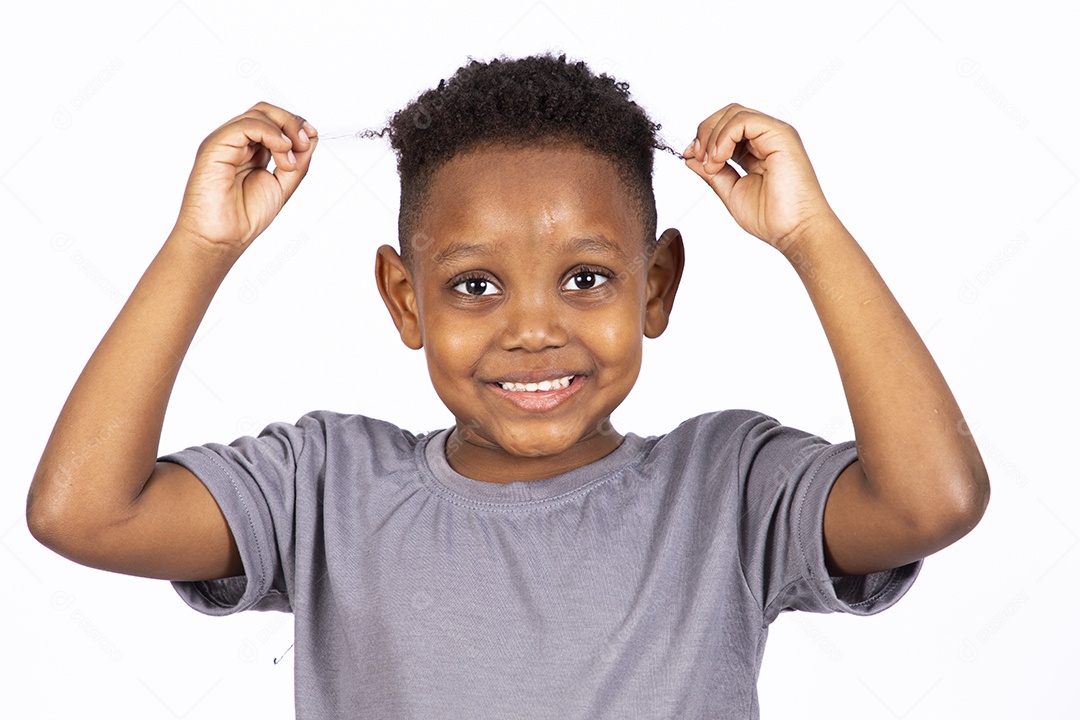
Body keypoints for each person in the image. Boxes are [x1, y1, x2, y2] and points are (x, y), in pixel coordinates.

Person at [26, 54, 989, 718]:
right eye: (475, 285)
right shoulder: (323, 487)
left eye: (587, 278)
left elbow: (930, 500)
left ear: (655, 287)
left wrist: (810, 234)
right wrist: (203, 246)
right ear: (405, 302)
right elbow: (85, 513)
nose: (533, 329)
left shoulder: (728, 489)